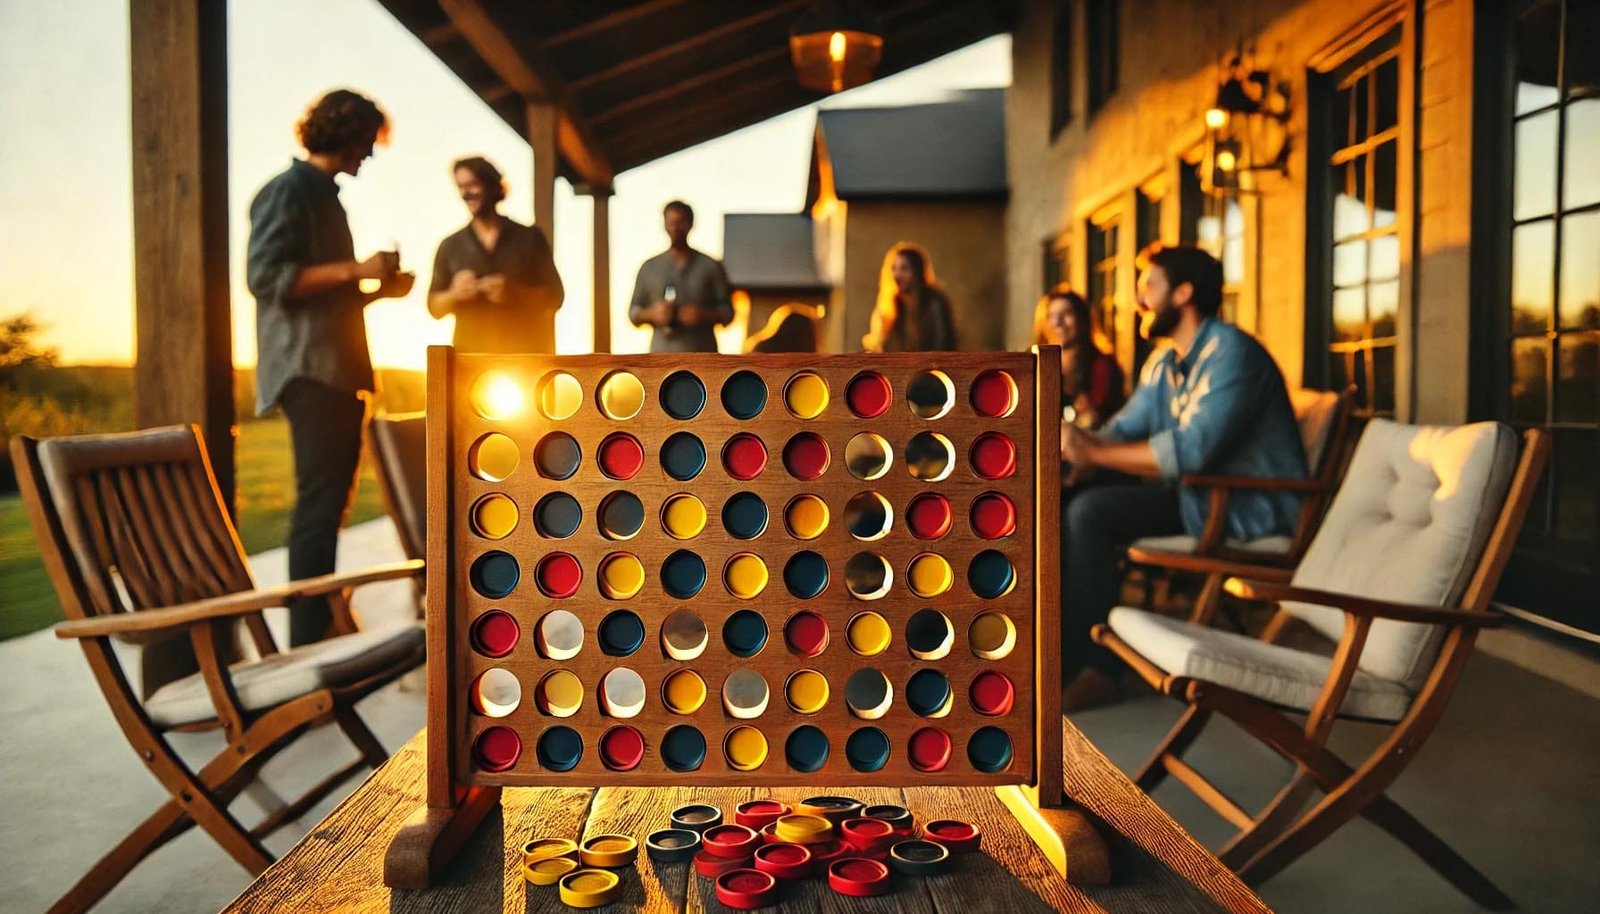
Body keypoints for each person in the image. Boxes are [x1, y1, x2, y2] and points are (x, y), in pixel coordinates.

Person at [1057, 244, 1307, 711]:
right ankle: (1057, 652)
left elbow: (1192, 452)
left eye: (1148, 286)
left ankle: (1098, 670)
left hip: (1245, 509)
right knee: (1064, 493)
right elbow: (1121, 431)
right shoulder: (1164, 364)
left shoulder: (1233, 353)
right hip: (1195, 497)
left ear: (1183, 293)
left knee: (1091, 512)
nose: (1139, 300)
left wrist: (1094, 451)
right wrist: (1076, 448)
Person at [246, 89, 414, 648]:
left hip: (338, 370)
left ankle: (323, 624)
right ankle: (310, 642)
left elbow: (327, 298)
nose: (370, 152)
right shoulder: (289, 190)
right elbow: (266, 278)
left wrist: (378, 290)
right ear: (346, 133)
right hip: (311, 371)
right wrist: (357, 269)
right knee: (318, 510)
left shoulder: (325, 195)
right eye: (367, 140)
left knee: (331, 506)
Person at [427, 156, 564, 353]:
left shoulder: (531, 238)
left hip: (523, 360)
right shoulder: (450, 246)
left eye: (472, 185)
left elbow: (556, 297)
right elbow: (433, 307)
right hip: (470, 361)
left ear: (491, 185)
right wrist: (455, 294)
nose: (466, 194)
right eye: (461, 187)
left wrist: (514, 294)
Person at [628, 200, 732, 352]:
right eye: (671, 223)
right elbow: (633, 312)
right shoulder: (649, 267)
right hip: (661, 356)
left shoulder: (710, 266)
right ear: (664, 224)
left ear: (690, 224)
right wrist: (653, 314)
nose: (676, 228)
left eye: (680, 222)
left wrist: (702, 315)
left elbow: (728, 312)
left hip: (702, 356)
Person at [1033, 285, 1125, 428]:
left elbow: (1108, 421)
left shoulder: (1102, 366)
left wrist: (1092, 415)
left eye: (1067, 313)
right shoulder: (1035, 367)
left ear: (1082, 320)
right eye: (1051, 316)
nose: (1057, 323)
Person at [861, 242, 955, 352]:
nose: (897, 275)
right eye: (894, 268)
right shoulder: (892, 307)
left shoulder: (935, 304)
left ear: (917, 272)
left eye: (904, 268)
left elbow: (942, 345)